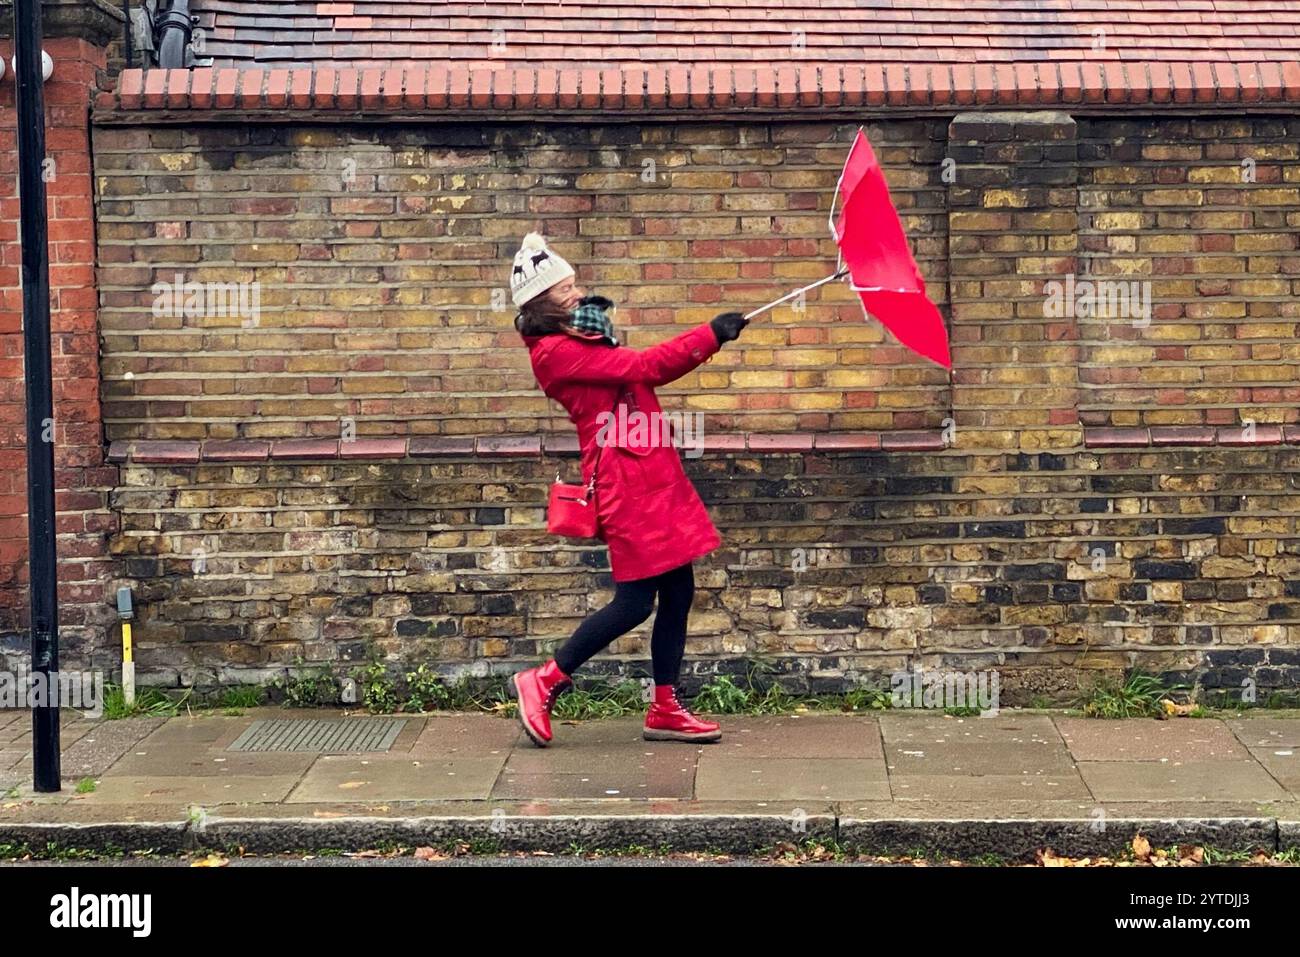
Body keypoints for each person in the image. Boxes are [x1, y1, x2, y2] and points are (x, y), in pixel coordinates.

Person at [504, 232, 749, 747]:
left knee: (680, 591)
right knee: (637, 600)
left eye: (573, 284)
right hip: (625, 482)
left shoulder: (585, 335)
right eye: (563, 289)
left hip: (654, 473)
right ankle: (545, 679)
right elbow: (644, 368)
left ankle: (665, 707)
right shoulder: (554, 353)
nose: (575, 294)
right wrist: (710, 335)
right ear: (539, 301)